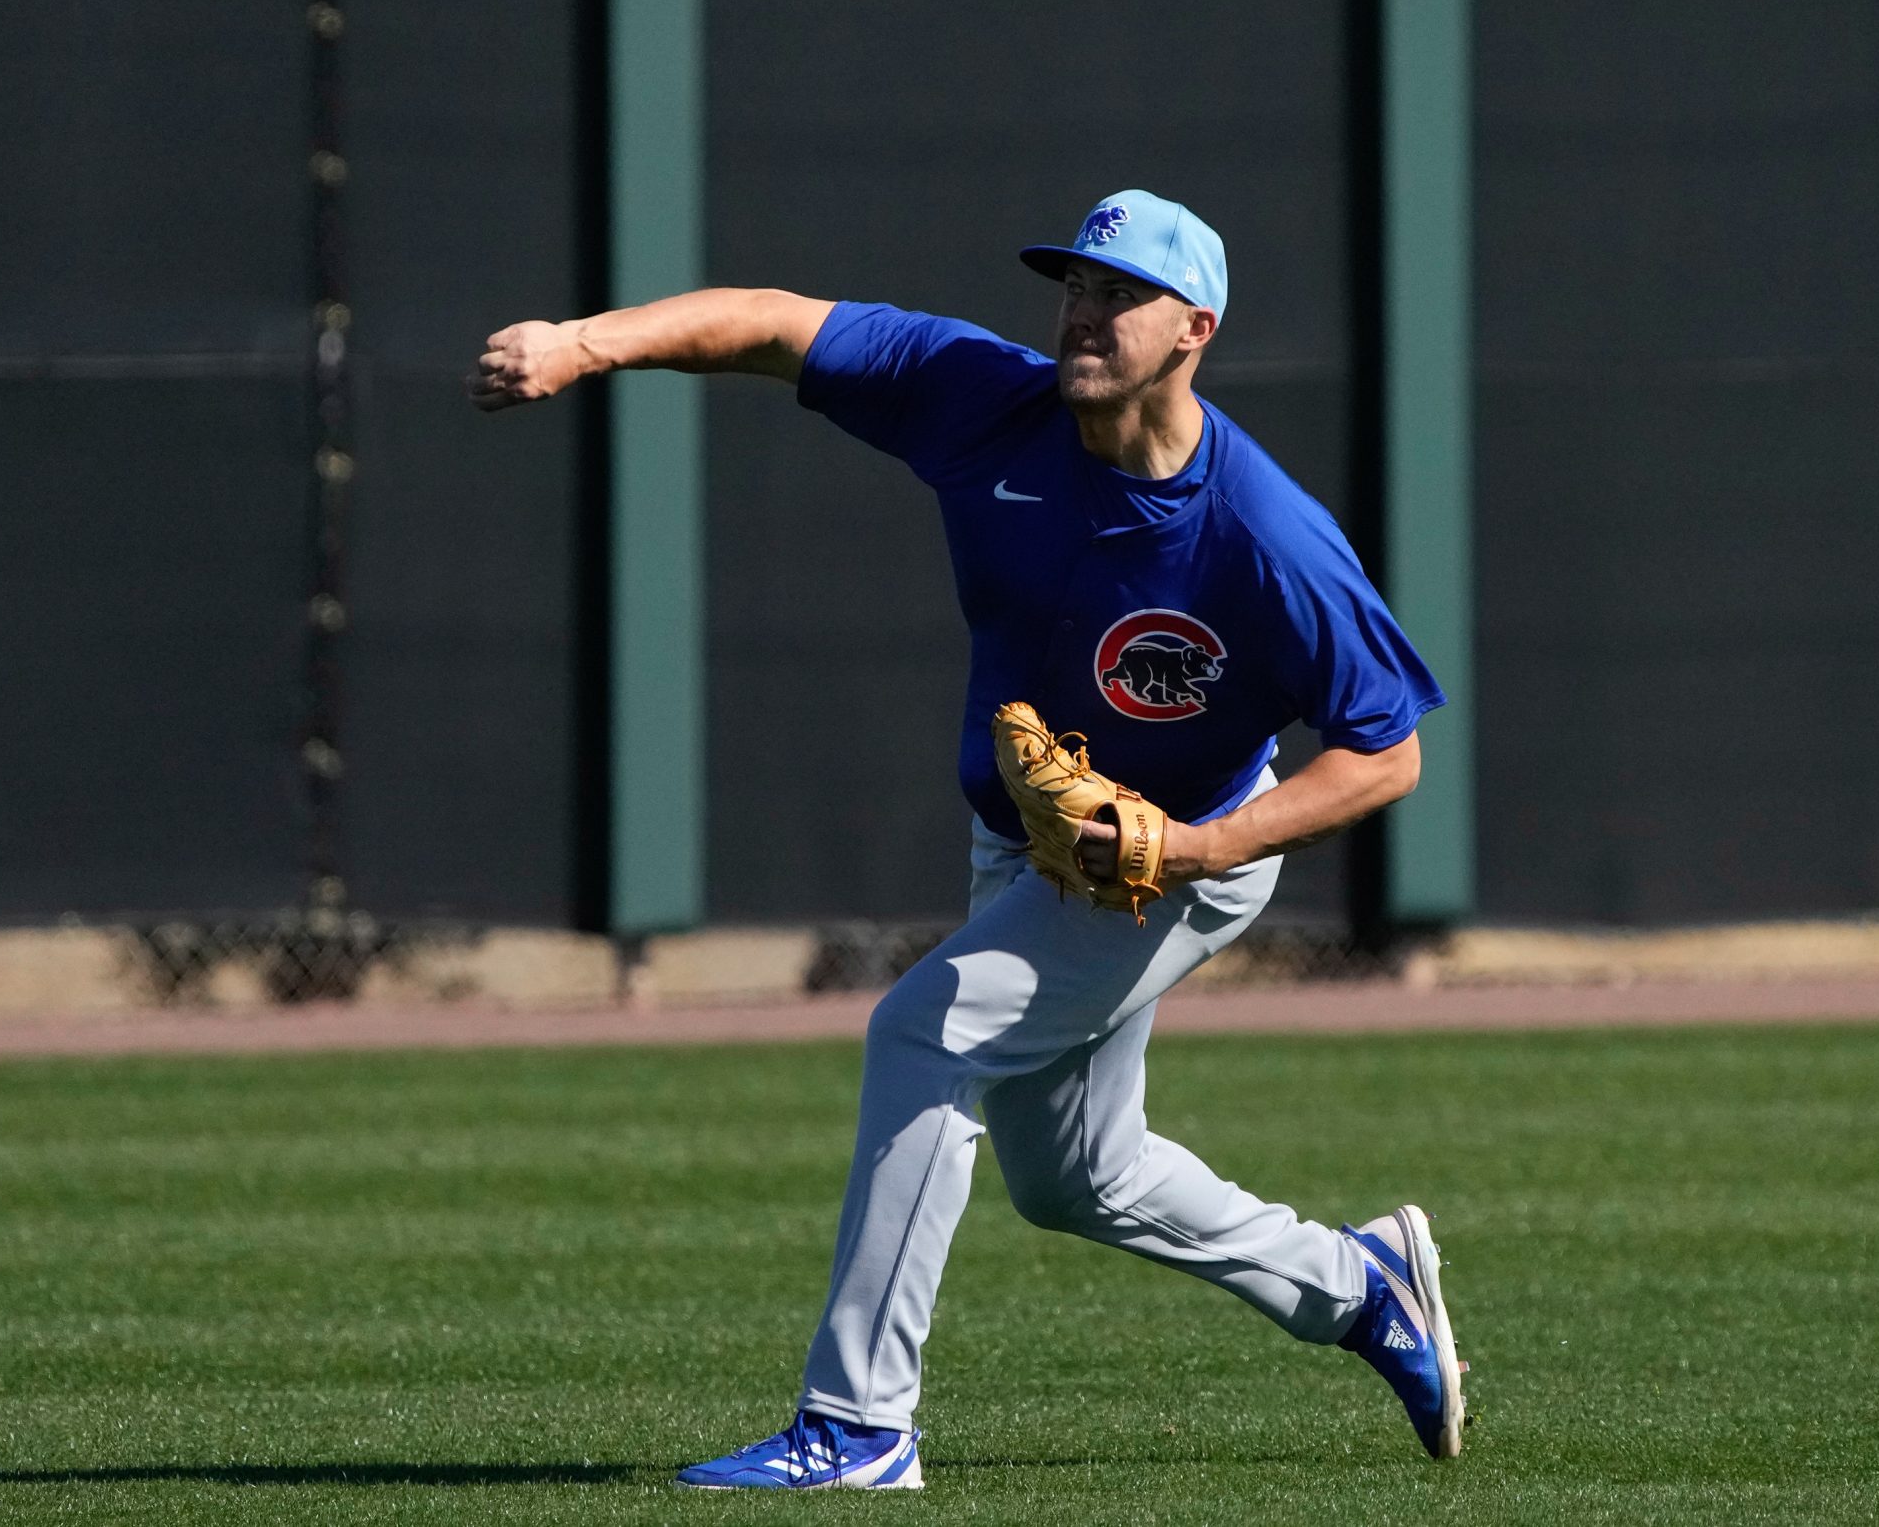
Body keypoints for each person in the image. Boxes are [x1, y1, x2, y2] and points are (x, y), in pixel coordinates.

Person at [468, 190, 1463, 1491]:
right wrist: (584, 343)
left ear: (1193, 330)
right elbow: (776, 326)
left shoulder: (1265, 539)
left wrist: (1199, 852)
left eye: (1122, 295)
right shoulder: (985, 398)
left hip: (1174, 859)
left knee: (924, 1033)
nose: (1086, 314)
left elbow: (1388, 753)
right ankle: (1359, 1286)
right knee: (1079, 1180)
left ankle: (860, 1428)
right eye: (1076, 286)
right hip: (1027, 845)